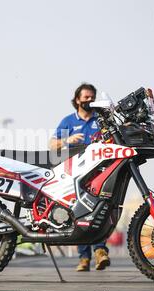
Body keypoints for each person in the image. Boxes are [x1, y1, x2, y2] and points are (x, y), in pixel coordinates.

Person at [49, 83, 110, 272]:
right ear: (77, 100)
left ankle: (100, 252)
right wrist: (68, 140)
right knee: (79, 212)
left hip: (99, 173)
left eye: (92, 97)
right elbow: (51, 145)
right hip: (75, 175)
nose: (90, 100)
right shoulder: (68, 121)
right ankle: (84, 258)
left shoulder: (100, 120)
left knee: (100, 209)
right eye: (86, 97)